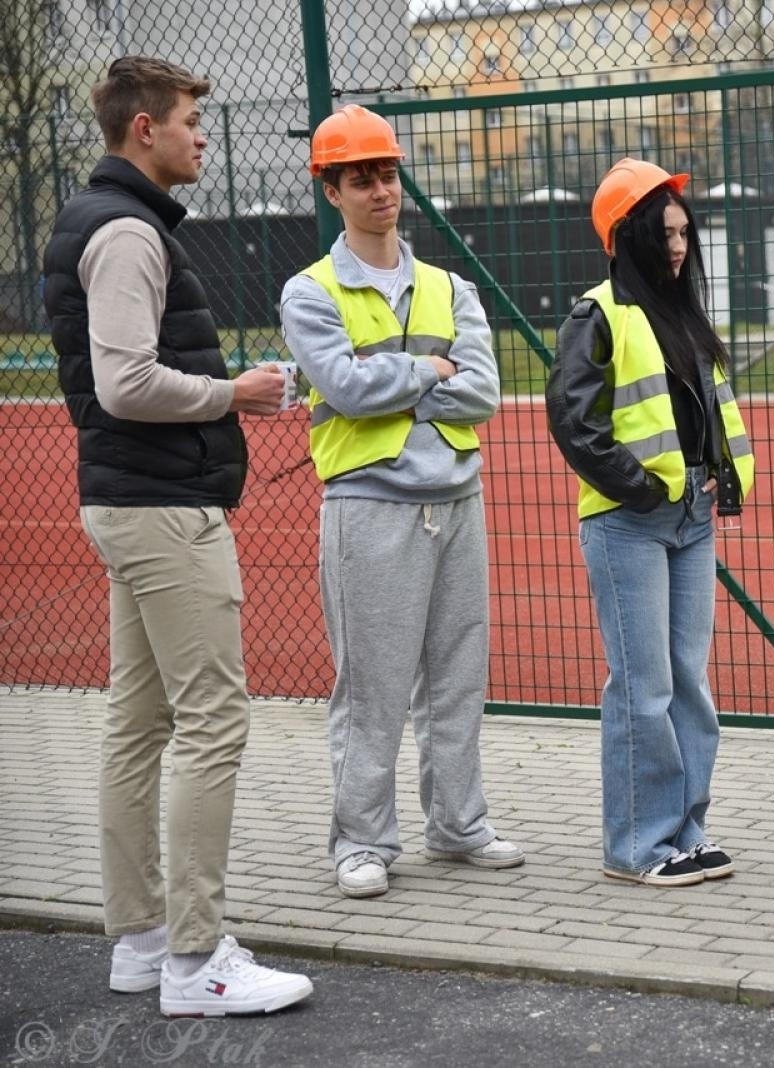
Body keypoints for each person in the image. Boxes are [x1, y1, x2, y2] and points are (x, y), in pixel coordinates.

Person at [41, 56, 312, 1016]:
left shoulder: (110, 220)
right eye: (192, 119)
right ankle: (198, 959)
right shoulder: (125, 232)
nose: (202, 133)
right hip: (161, 507)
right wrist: (233, 393)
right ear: (144, 129)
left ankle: (142, 941)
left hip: (131, 500)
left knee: (138, 723)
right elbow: (125, 385)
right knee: (212, 720)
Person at [279, 105, 523, 898]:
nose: (381, 189)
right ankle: (361, 841)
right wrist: (429, 375)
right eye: (361, 178)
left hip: (457, 498)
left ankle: (457, 826)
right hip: (369, 504)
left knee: (458, 676)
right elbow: (344, 390)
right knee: (373, 685)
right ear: (332, 190)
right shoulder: (310, 293)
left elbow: (483, 391)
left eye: (387, 173)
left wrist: (397, 389)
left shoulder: (449, 287)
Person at [546, 158, 756, 887]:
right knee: (643, 688)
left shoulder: (683, 314)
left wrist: (711, 487)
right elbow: (574, 420)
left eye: (682, 232)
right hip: (630, 524)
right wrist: (639, 491)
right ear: (625, 236)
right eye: (663, 232)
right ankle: (636, 846)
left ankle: (685, 832)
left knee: (688, 684)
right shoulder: (597, 314)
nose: (678, 244)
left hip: (692, 516)